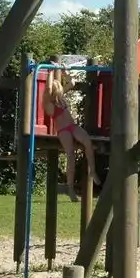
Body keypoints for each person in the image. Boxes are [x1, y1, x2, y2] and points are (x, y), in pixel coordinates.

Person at [41, 65, 101, 202]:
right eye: (57, 89)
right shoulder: (48, 103)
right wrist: (51, 71)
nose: (59, 90)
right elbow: (49, 88)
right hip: (63, 131)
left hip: (72, 126)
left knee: (87, 142)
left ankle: (92, 170)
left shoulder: (61, 98)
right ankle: (70, 189)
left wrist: (64, 71)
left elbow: (72, 83)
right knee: (70, 155)